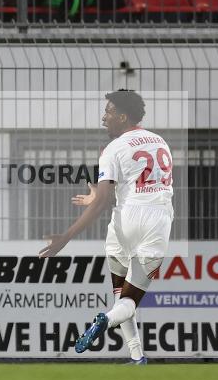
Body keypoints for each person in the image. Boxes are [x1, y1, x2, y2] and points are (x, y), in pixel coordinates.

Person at [40, 90, 174, 364]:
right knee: (130, 299)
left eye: (109, 111)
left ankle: (134, 353)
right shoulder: (160, 141)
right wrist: (98, 197)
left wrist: (66, 236)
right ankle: (113, 328)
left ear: (123, 116)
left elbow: (103, 200)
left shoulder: (113, 149)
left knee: (121, 296)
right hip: (155, 219)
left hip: (123, 219)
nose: (104, 117)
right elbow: (142, 184)